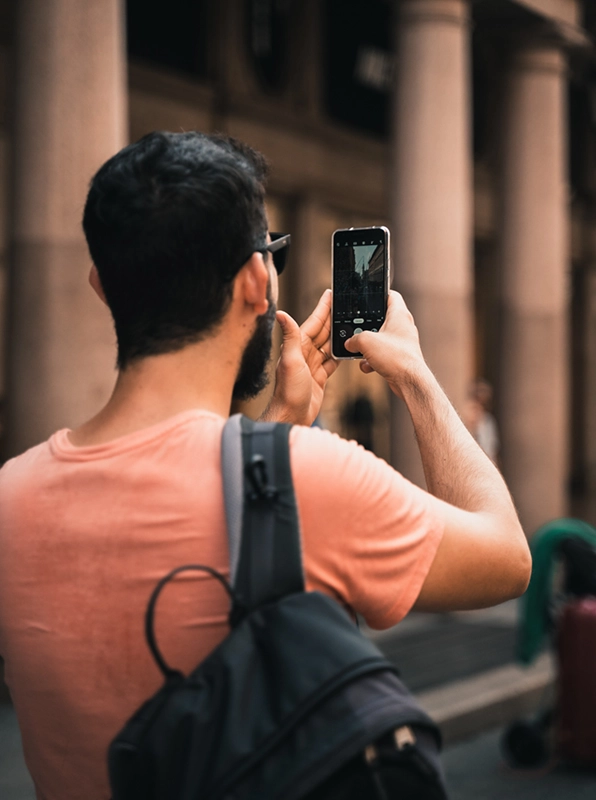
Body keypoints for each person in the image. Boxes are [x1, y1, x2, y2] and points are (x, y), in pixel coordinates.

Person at [0, 132, 531, 800]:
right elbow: (508, 556)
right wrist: (417, 378)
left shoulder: (11, 497)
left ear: (100, 284)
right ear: (257, 281)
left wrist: (279, 424)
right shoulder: (316, 477)